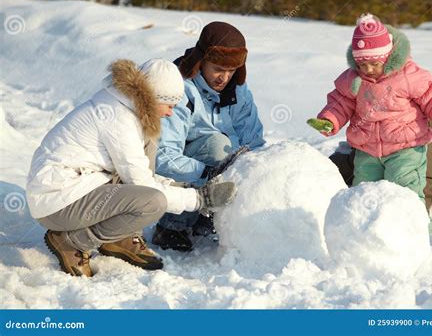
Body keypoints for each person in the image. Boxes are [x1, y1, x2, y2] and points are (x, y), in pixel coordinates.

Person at [26, 58, 237, 277]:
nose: (170, 113)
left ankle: (120, 236)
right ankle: (71, 241)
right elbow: (144, 187)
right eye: (169, 105)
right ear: (153, 98)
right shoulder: (118, 120)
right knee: (153, 202)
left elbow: (140, 174)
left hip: (77, 184)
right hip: (56, 201)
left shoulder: (125, 108)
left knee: (150, 143)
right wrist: (198, 199)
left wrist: (183, 188)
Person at [307, 14, 432, 228]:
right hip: (367, 151)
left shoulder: (408, 74)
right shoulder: (353, 80)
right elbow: (340, 103)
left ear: (388, 56)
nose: (368, 69)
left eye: (374, 63)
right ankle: (365, 235)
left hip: (405, 149)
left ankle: (414, 233)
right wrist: (329, 120)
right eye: (362, 64)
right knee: (364, 194)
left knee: (406, 193)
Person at [152, 22, 265, 252]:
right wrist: (206, 173)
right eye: (217, 68)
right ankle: (172, 226)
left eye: (231, 70)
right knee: (219, 147)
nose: (223, 77)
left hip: (217, 168)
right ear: (201, 60)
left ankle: (213, 218)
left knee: (243, 156)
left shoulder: (238, 91)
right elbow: (162, 156)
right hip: (180, 170)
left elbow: (253, 141)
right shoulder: (179, 88)